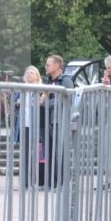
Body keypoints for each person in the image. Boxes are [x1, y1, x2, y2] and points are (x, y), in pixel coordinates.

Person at [41, 54, 74, 188]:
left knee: (61, 152)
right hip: (47, 121)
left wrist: (45, 103)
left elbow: (66, 99)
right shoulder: (48, 81)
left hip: (60, 121)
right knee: (48, 152)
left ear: (57, 66)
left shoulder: (65, 81)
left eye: (48, 64)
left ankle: (63, 182)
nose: (45, 67)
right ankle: (51, 181)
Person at [13, 66, 45, 188]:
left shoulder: (42, 88)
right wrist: (16, 102)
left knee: (39, 154)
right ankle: (25, 181)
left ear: (37, 75)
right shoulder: (22, 90)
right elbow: (14, 106)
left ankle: (39, 180)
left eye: (32, 73)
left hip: (38, 126)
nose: (30, 74)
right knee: (25, 154)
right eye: (27, 73)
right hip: (24, 125)